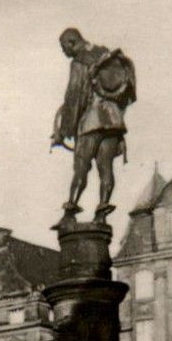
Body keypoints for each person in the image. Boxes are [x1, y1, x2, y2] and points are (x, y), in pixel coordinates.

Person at [50, 27, 137, 222]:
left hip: (91, 121)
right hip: (114, 121)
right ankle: (101, 214)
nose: (63, 51)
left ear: (72, 42)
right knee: (106, 168)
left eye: (63, 46)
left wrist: (62, 133)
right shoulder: (105, 55)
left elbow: (74, 96)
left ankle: (69, 213)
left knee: (81, 167)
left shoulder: (80, 61)